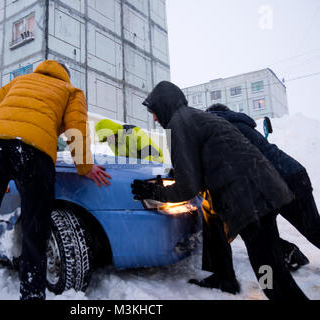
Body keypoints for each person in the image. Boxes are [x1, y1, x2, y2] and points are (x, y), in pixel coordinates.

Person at [0, 60, 111, 300]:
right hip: (34, 154)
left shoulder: (20, 81)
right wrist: (84, 167)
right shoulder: (70, 91)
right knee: (35, 231)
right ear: (66, 76)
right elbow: (77, 129)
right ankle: (32, 296)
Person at [131, 81, 309, 300]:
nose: (155, 118)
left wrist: (155, 192)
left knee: (268, 272)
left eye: (154, 112)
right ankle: (235, 281)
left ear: (164, 105)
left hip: (251, 200)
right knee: (271, 270)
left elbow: (188, 187)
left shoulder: (180, 124)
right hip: (261, 192)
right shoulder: (192, 118)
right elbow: (200, 165)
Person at [192, 103, 319, 293]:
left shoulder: (223, 128)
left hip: (282, 180)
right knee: (258, 231)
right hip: (289, 175)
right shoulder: (238, 124)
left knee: (311, 229)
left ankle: (272, 270)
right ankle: (288, 255)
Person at [95, 119, 164, 163]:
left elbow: (149, 153)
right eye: (106, 139)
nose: (109, 140)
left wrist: (145, 169)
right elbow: (120, 159)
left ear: (115, 132)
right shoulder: (112, 141)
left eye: (109, 136)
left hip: (154, 162)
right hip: (137, 167)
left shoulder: (134, 132)